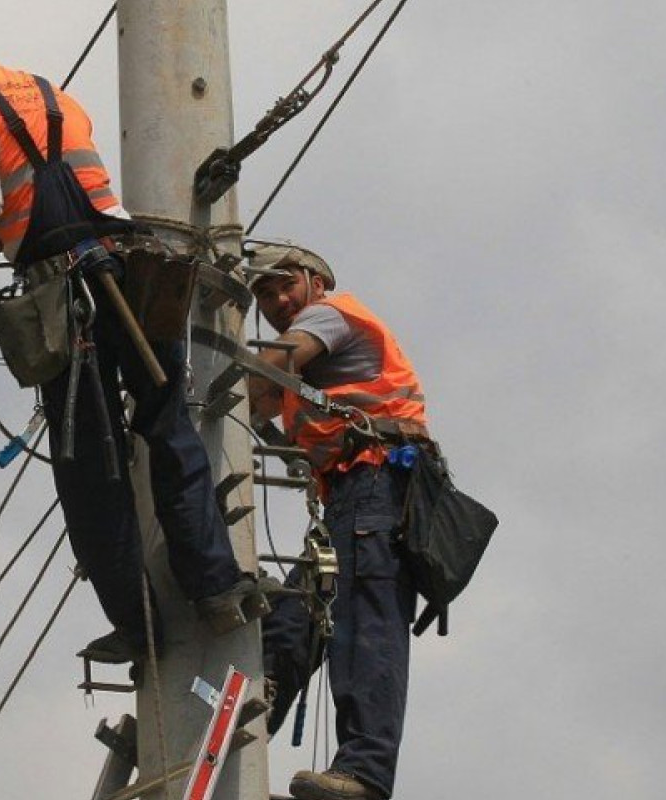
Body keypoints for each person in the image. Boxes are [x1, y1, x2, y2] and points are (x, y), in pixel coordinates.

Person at [0, 18, 265, 664]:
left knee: (91, 468)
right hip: (131, 273)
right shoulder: (47, 91)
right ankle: (217, 587)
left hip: (69, 297)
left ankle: (141, 629)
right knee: (169, 427)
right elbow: (40, 199)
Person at [245, 243, 430, 800]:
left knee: (365, 626)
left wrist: (213, 372)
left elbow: (259, 377)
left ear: (316, 281)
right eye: (263, 294)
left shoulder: (328, 314)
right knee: (296, 617)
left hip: (376, 483)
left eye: (286, 284)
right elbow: (251, 406)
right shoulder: (316, 340)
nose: (277, 300)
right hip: (350, 497)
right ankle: (244, 735)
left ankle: (365, 775)